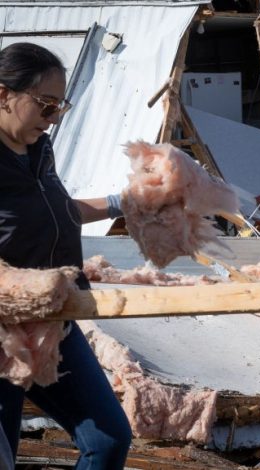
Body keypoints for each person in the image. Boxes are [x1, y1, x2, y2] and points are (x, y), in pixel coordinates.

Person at [0, 42, 130, 468]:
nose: (53, 118)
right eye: (45, 104)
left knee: (108, 439)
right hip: (3, 333)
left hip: (54, 323)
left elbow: (53, 213)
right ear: (3, 95)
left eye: (60, 105)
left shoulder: (38, 148)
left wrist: (119, 203)